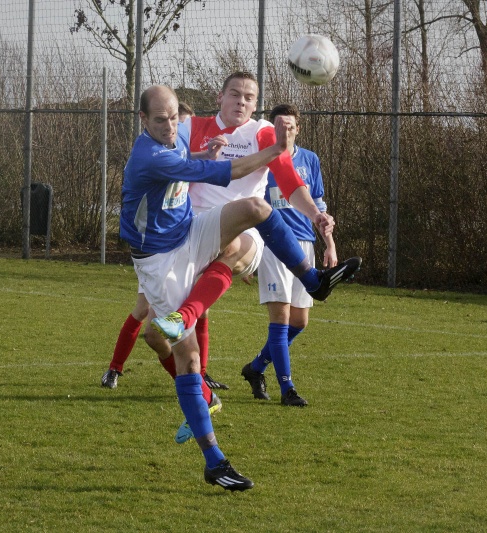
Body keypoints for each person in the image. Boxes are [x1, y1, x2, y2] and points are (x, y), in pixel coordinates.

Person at [121, 84, 319, 490]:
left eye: (174, 116)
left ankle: (314, 280)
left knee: (254, 208)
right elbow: (231, 171)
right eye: (160, 119)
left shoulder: (175, 138)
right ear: (143, 120)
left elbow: (188, 160)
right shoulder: (149, 154)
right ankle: (214, 461)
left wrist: (196, 153)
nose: (170, 125)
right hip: (159, 263)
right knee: (187, 359)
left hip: (188, 233)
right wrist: (278, 149)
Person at [149, 72, 361, 442]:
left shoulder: (262, 134)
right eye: (235, 94)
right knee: (154, 334)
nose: (242, 102)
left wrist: (315, 215)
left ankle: (189, 315)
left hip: (244, 235)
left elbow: (289, 179)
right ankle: (204, 397)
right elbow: (167, 160)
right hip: (188, 238)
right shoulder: (192, 126)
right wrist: (197, 154)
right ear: (220, 96)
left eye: (250, 97)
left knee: (244, 222)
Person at [101, 100, 228, 391]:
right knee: (144, 314)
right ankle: (116, 368)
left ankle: (200, 376)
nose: (173, 130)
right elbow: (185, 168)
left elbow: (186, 163)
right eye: (167, 121)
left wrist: (204, 155)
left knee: (199, 311)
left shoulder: (178, 152)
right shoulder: (155, 157)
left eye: (178, 123)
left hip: (182, 242)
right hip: (157, 247)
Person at [241, 103, 335, 407]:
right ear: (272, 129)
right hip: (271, 245)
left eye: (290, 124)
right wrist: (249, 253)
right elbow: (249, 204)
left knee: (299, 322)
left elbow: (318, 205)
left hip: (305, 243)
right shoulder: (262, 161)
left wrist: (330, 243)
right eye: (279, 124)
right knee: (280, 319)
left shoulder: (310, 160)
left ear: (298, 128)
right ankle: (288, 389)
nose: (286, 129)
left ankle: (256, 368)